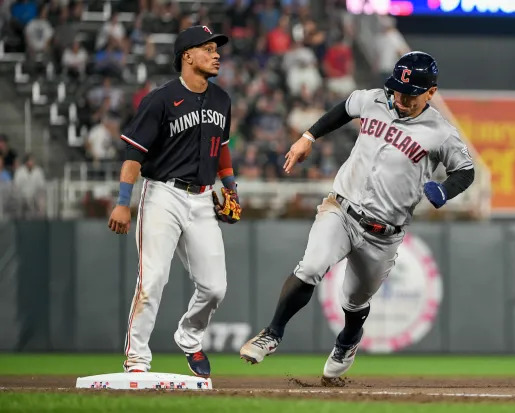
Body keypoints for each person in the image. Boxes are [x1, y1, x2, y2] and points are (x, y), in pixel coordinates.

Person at [240, 52, 475, 385]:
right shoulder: (375, 100)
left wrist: (446, 190)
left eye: (411, 94)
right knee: (310, 267)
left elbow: (466, 170)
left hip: (384, 234)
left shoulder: (440, 132)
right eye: (397, 90)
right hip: (342, 209)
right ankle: (272, 333)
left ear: (431, 92)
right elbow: (344, 108)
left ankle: (347, 342)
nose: (401, 98)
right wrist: (309, 137)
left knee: (354, 301)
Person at [107, 25, 242, 378]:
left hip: (202, 200)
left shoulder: (222, 100)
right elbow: (133, 155)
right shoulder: (161, 99)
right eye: (208, 49)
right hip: (162, 195)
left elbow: (222, 149)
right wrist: (124, 201)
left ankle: (189, 336)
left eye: (217, 49)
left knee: (215, 287)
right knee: (151, 282)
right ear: (187, 55)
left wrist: (231, 189)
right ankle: (137, 359)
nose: (216, 55)